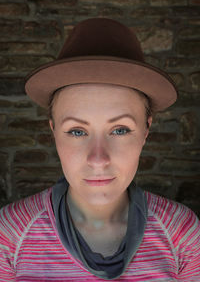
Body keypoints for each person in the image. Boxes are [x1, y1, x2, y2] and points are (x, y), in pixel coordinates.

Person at [0, 18, 199, 281]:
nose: (98, 159)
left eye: (119, 130)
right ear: (53, 131)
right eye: (77, 131)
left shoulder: (182, 233)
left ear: (146, 130)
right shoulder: (9, 234)